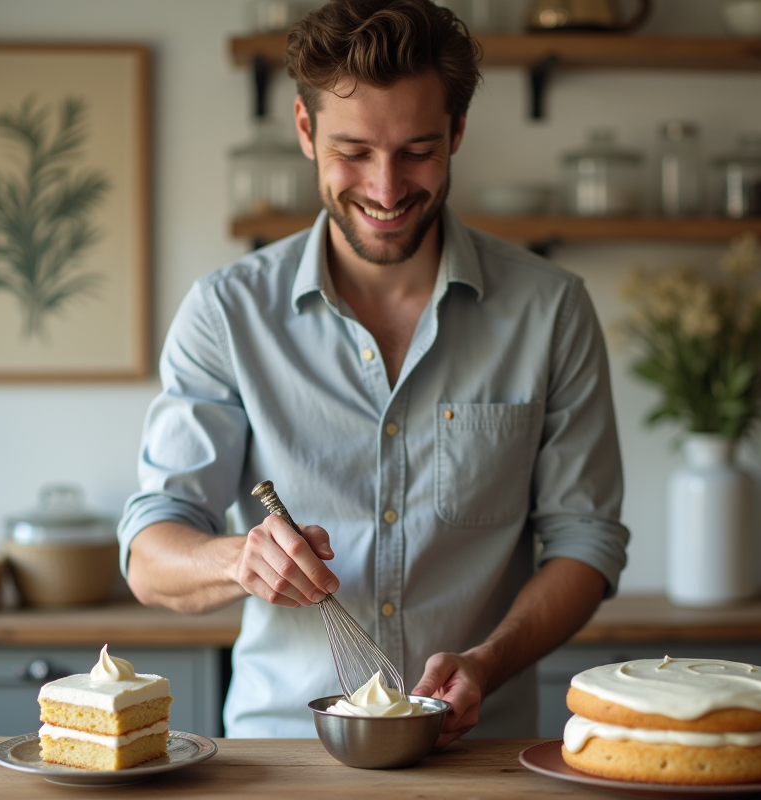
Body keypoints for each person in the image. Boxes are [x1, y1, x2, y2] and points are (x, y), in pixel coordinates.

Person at [118, 0, 629, 745]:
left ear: (456, 133)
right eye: (353, 151)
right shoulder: (225, 313)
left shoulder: (552, 310)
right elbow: (150, 552)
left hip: (482, 757)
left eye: (418, 150)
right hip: (280, 757)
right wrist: (240, 560)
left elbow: (587, 543)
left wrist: (488, 662)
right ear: (304, 130)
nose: (386, 190)